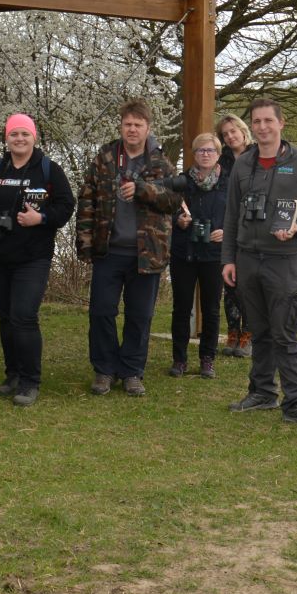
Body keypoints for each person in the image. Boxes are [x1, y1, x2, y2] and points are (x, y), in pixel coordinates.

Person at [222, 97, 297, 428]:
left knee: (285, 332)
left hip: (284, 261)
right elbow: (231, 214)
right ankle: (263, 392)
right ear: (251, 127)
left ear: (281, 123)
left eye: (268, 121)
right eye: (256, 122)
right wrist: (228, 258)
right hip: (247, 258)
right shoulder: (243, 164)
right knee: (260, 331)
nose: (262, 127)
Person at [76, 99, 181, 399]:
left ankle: (132, 371)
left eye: (138, 125)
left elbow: (174, 201)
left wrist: (144, 190)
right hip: (109, 250)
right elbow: (87, 199)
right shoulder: (105, 157)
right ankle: (104, 369)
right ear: (121, 127)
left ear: (148, 128)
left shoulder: (160, 162)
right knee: (101, 312)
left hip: (147, 252)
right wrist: (84, 242)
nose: (132, 129)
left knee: (140, 315)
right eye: (127, 124)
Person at [0, 113, 75, 407]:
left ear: (34, 138)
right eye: (14, 134)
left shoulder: (48, 169)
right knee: (6, 318)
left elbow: (66, 206)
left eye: (25, 134)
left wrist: (41, 218)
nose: (19, 139)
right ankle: (13, 374)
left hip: (33, 258)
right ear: (7, 138)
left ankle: (31, 381)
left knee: (24, 316)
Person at [168, 133, 228, 379]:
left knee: (211, 309)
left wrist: (225, 231)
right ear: (194, 154)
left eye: (210, 150)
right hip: (185, 253)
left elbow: (237, 215)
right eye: (201, 150)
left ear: (218, 154)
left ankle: (207, 358)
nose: (205, 154)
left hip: (214, 255)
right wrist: (177, 221)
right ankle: (179, 359)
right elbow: (164, 212)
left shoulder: (228, 182)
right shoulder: (181, 182)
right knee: (181, 308)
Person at [214, 110, 253, 358]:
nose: (230, 137)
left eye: (233, 132)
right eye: (225, 134)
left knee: (248, 286)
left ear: (243, 131)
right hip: (226, 229)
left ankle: (249, 336)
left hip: (251, 230)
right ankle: (232, 335)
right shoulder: (221, 161)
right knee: (229, 284)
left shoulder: (258, 156)